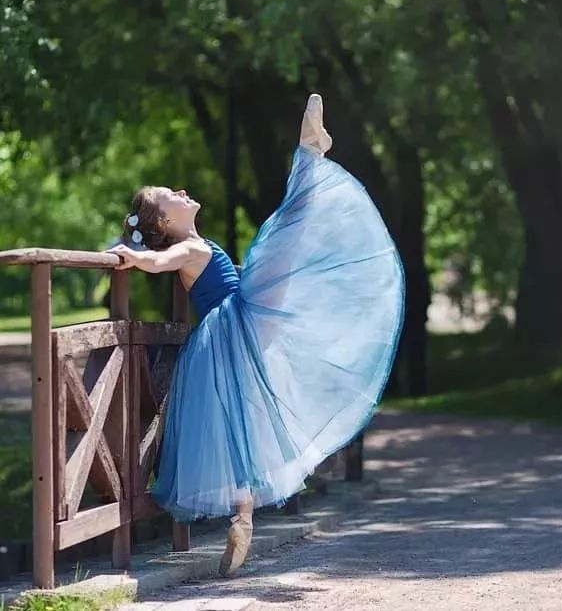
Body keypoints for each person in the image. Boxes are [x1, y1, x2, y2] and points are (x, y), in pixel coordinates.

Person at [107, 94, 404, 577]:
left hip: (237, 325)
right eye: (170, 196)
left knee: (239, 424)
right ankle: (308, 160)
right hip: (236, 323)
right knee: (279, 243)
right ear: (163, 222)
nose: (181, 191)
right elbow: (157, 262)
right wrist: (132, 255)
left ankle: (243, 518)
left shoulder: (199, 244)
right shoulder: (185, 250)